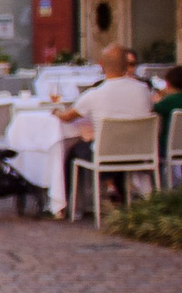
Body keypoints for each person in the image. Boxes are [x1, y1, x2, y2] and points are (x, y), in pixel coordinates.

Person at [55, 44, 158, 203]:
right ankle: (117, 193)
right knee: (113, 145)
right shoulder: (144, 89)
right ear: (126, 65)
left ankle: (70, 204)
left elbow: (68, 117)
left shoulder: (95, 94)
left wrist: (56, 112)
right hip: (140, 153)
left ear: (101, 65)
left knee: (75, 150)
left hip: (107, 155)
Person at [151, 63, 182, 152]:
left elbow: (151, 111)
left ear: (168, 83)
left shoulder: (168, 102)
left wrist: (158, 97)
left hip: (167, 146)